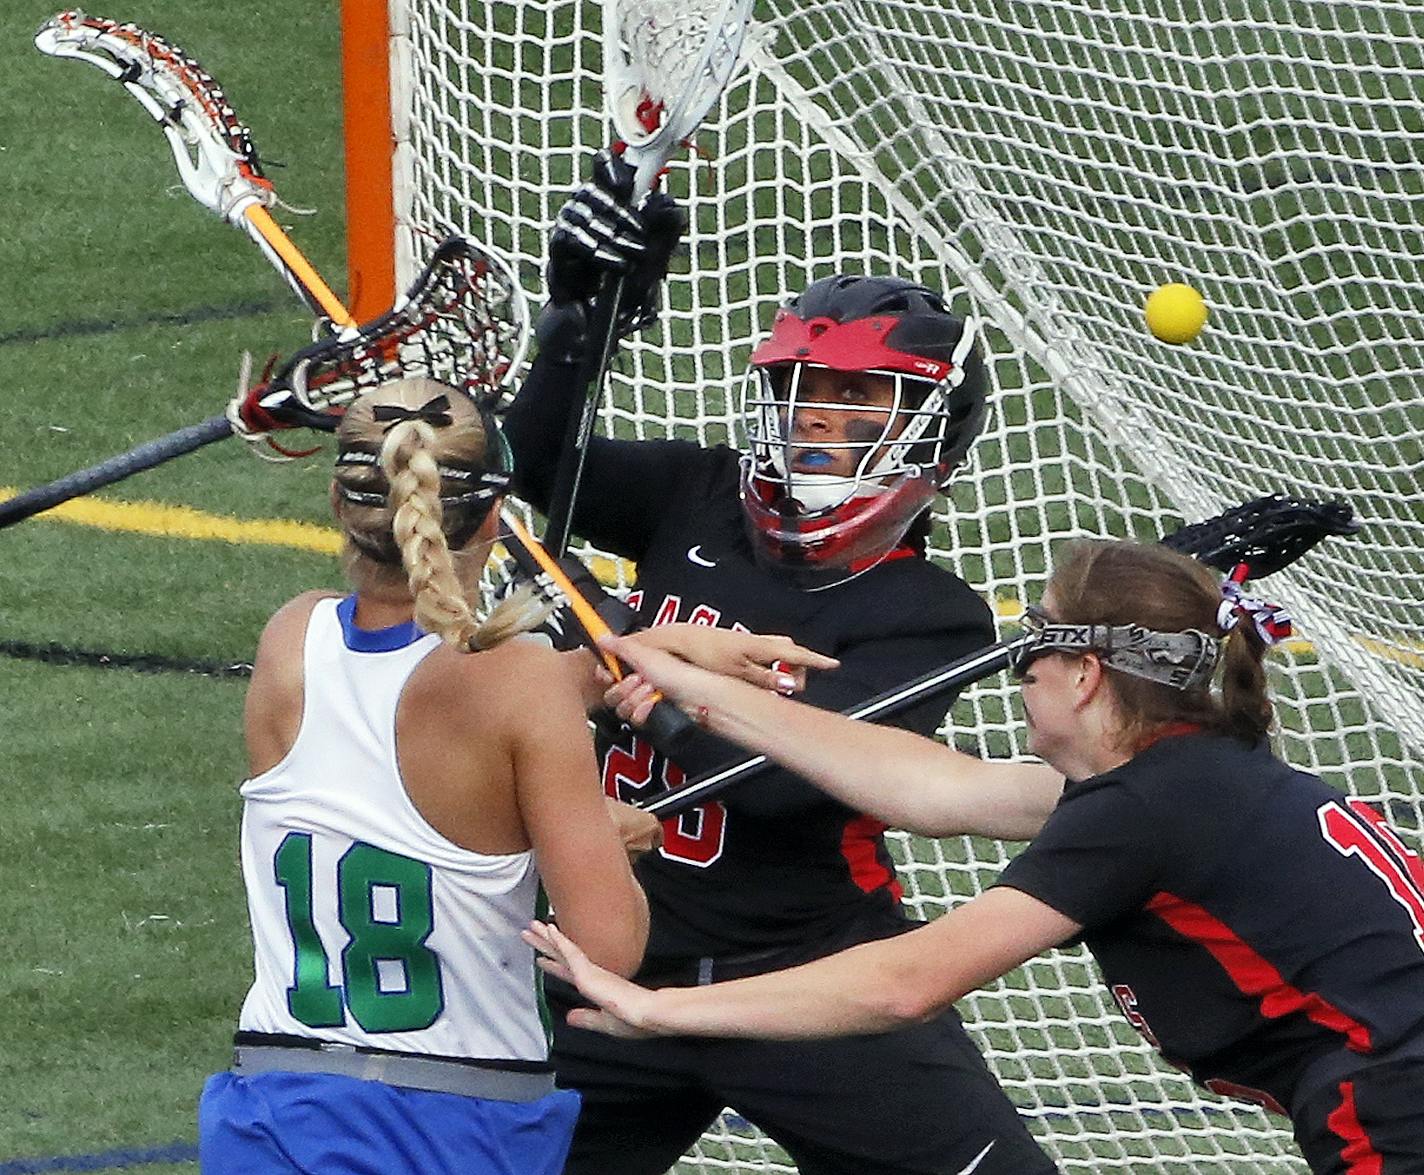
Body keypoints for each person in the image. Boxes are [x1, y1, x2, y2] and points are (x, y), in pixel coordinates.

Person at [503, 152, 1058, 1174]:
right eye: (803, 392)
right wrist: (579, 322)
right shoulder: (697, 492)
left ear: (925, 431)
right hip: (607, 953)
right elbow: (530, 462)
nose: (815, 417)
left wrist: (632, 650)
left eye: (855, 398)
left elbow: (778, 793)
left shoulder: (927, 614)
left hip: (807, 980)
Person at [533, 539, 1424, 1174]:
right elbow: (929, 787)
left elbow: (903, 983)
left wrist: (656, 1010)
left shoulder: (1145, 809)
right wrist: (685, 679)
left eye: (1031, 651)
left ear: (1083, 674)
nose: (1018, 677)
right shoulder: (1189, 784)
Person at [197, 377, 652, 1175]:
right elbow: (608, 952)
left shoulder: (289, 640)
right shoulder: (524, 685)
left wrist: (661, 655)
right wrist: (598, 839)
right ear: (493, 517)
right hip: (454, 1125)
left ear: (344, 504)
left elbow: (401, 714)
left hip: (270, 1109)